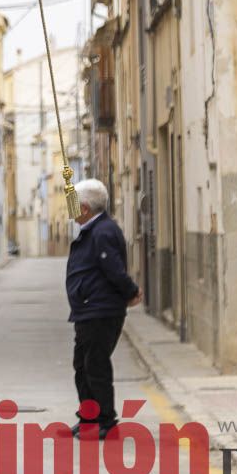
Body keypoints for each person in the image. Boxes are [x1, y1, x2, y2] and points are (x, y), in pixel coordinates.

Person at [67, 178, 142, 440]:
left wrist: (131, 292)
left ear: (85, 208)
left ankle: (106, 422)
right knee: (82, 365)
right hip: (88, 310)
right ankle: (88, 418)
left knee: (95, 365)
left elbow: (114, 269)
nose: (70, 208)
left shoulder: (103, 232)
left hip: (101, 310)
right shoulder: (93, 230)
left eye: (73, 203)